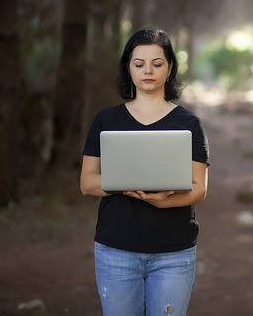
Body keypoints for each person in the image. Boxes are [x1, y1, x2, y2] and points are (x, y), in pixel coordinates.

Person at [80, 27, 210, 316]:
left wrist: (164, 201)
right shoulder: (106, 119)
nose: (147, 71)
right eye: (139, 64)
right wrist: (125, 184)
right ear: (128, 68)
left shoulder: (189, 124)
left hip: (174, 252)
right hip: (116, 249)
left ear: (170, 68)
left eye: (157, 63)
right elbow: (87, 183)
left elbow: (199, 188)